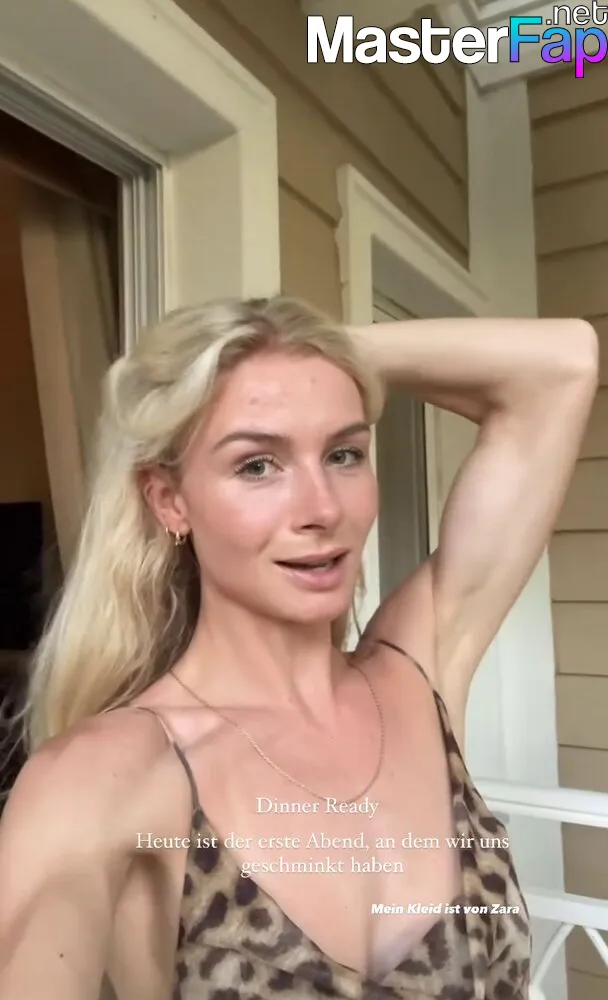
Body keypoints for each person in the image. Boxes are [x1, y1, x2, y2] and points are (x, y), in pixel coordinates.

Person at [0, 296, 598, 1000]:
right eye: (258, 465)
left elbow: (565, 363)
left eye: (344, 454)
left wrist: (301, 348)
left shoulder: (417, 675)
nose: (323, 509)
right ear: (169, 501)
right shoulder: (101, 777)